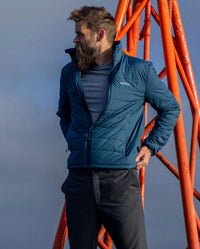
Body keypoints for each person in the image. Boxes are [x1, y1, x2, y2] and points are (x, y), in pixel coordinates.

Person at [57, 6, 180, 249]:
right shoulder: (69, 72)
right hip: (79, 180)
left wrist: (151, 145)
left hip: (120, 181)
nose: (75, 40)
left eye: (80, 34)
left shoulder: (138, 70)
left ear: (100, 35)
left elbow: (171, 108)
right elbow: (64, 115)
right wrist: (75, 143)